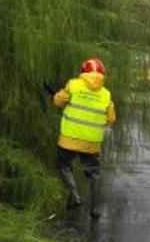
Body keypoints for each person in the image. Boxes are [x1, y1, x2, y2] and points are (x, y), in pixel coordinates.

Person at [52, 57, 116, 218]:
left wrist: (58, 97)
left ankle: (75, 196)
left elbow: (58, 101)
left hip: (69, 140)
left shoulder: (74, 84)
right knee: (94, 173)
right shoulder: (106, 94)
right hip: (92, 144)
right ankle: (95, 210)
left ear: (83, 71)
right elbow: (111, 119)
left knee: (63, 165)